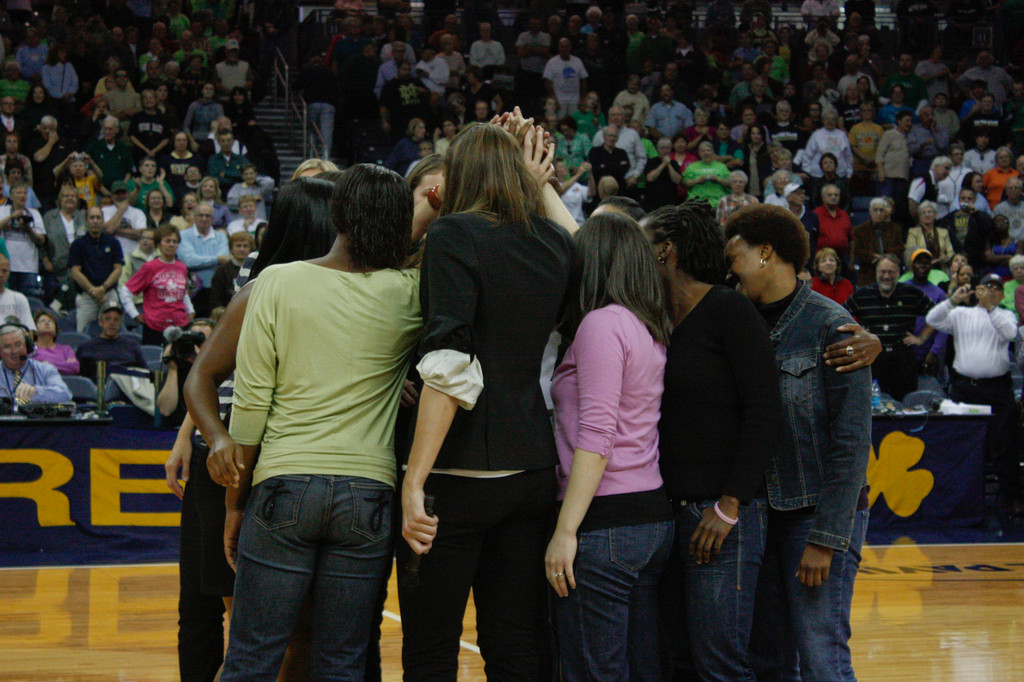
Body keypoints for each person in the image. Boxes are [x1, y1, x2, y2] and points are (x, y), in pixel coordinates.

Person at [218, 165, 422, 680]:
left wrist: (234, 504)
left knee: (251, 658)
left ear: (336, 214)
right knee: (341, 663)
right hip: (369, 494)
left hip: (283, 484)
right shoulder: (410, 292)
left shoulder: (277, 282)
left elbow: (249, 411)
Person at [399, 117, 576, 680]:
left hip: (459, 472)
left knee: (432, 644)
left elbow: (451, 367)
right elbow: (585, 251)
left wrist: (414, 480)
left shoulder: (453, 235)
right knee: (517, 641)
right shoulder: (551, 241)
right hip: (531, 467)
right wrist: (538, 183)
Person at [177, 176, 339, 682]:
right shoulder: (261, 283)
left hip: (280, 463)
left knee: (290, 631)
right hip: (241, 461)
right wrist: (205, 437)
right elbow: (209, 375)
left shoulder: (349, 282)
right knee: (258, 629)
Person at [724, 205, 874, 682]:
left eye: (736, 257)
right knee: (766, 657)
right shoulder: (735, 317)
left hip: (815, 516)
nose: (730, 270)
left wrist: (826, 540)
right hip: (759, 517)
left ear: (765, 253)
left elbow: (851, 444)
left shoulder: (833, 327)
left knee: (821, 655)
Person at [644, 201, 781, 680]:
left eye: (643, 243)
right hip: (666, 514)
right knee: (675, 661)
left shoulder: (729, 309)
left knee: (718, 664)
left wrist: (728, 506)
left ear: (665, 251)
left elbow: (765, 413)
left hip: (723, 517)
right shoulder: (653, 317)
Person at [544, 211, 673, 679]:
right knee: (638, 670)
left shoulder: (601, 324)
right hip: (648, 517)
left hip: (605, 523)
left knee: (592, 672)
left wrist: (565, 530)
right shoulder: (648, 325)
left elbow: (597, 437)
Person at [928, 274, 1024, 515]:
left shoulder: (1005, 315)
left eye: (996, 288)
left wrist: (991, 308)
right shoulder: (961, 314)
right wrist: (953, 300)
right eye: (986, 286)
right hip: (965, 388)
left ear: (1002, 295)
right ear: (977, 289)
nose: (991, 290)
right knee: (962, 444)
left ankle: (1013, 496)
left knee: (1005, 445)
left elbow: (1011, 334)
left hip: (997, 389)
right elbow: (932, 319)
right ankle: (960, 501)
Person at [845, 254, 934, 400]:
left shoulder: (911, 293)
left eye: (891, 272)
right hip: (873, 361)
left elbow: (936, 314)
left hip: (903, 361)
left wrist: (921, 338)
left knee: (905, 409)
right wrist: (858, 334)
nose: (886, 276)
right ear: (876, 272)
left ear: (898, 273)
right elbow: (841, 316)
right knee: (873, 407)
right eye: (882, 272)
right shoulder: (863, 295)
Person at [121, 225, 193, 346]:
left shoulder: (182, 267)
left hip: (180, 325)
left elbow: (183, 293)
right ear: (159, 244)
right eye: (167, 241)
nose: (171, 244)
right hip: (155, 327)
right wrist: (134, 314)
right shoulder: (150, 267)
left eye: (175, 241)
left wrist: (190, 310)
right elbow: (125, 290)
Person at [68, 206, 124, 332]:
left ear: (103, 220)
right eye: (91, 218)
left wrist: (103, 288)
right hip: (86, 297)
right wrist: (94, 291)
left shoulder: (113, 243)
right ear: (86, 221)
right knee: (82, 333)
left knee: (114, 332)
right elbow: (75, 272)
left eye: (98, 217)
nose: (95, 221)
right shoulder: (78, 244)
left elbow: (118, 270)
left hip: (109, 295)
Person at [0, 322, 72, 404]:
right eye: (7, 347)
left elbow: (65, 394)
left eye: (18, 345)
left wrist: (36, 391)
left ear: (27, 346)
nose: (14, 351)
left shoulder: (46, 369)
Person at [178, 202, 229, 316]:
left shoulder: (221, 236)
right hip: (192, 291)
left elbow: (225, 259)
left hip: (216, 289)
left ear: (213, 218)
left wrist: (200, 260)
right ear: (195, 217)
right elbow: (189, 261)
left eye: (207, 216)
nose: (204, 218)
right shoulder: (183, 235)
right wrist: (217, 259)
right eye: (201, 215)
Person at [76, 299, 147, 382]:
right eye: (108, 319)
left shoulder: (132, 346)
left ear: (121, 322)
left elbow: (144, 374)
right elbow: (79, 377)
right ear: (100, 322)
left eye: (116, 319)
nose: (112, 323)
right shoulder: (86, 347)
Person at [41, 186, 86, 306]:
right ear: (60, 199)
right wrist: (45, 259)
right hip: (56, 266)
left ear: (77, 200)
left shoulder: (82, 217)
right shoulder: (49, 217)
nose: (69, 199)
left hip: (79, 268)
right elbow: (41, 241)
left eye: (73, 196)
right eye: (66, 196)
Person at [853, 197, 903, 286]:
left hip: (890, 271)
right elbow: (857, 251)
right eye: (875, 210)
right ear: (870, 212)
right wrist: (873, 257)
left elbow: (900, 248)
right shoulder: (860, 230)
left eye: (881, 210)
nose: (878, 213)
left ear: (885, 212)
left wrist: (885, 257)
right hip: (868, 273)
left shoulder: (895, 229)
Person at [904, 201, 954, 274]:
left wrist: (945, 258)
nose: (927, 215)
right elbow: (910, 253)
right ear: (919, 217)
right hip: (920, 270)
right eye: (923, 213)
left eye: (929, 212)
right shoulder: (913, 232)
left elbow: (950, 252)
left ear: (935, 215)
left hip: (941, 270)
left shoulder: (944, 232)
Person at [209, 231, 252, 311]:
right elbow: (216, 302)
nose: (242, 249)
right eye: (238, 246)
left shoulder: (255, 270)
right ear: (231, 248)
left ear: (250, 249)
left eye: (245, 246)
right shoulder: (221, 271)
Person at [31, 308, 78, 375]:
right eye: (42, 321)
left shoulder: (66, 349)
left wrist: (47, 365)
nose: (47, 323)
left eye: (50, 321)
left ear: (56, 329)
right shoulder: (30, 349)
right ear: (35, 329)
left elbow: (74, 367)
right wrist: (63, 365)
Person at [0, 254, 33, 328]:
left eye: (4, 271)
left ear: (9, 272)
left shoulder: (19, 298)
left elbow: (30, 330)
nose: (1, 275)